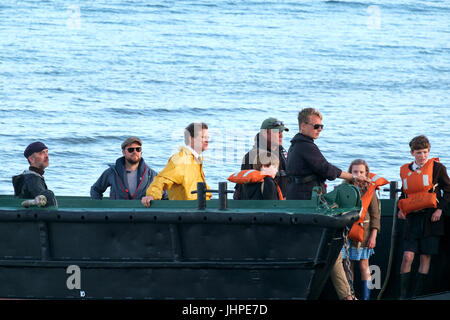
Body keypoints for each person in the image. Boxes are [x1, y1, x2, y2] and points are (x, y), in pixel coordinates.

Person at [286, 107, 370, 300]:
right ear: (303, 125)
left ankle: (347, 296)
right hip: (308, 202)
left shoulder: (299, 145)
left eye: (321, 126)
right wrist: (352, 177)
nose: (319, 129)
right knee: (331, 251)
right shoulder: (305, 146)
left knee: (331, 253)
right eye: (316, 126)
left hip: (303, 200)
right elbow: (325, 168)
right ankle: (347, 296)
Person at [397, 135, 450, 299]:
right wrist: (401, 207)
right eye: (419, 152)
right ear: (412, 153)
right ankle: (403, 295)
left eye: (425, 152)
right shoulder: (406, 170)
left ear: (429, 152)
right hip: (412, 219)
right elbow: (405, 192)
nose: (422, 156)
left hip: (431, 219)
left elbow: (448, 190)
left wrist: (439, 210)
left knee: (425, 258)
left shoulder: (438, 168)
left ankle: (416, 295)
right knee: (407, 256)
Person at [141, 122, 211, 207]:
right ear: (191, 138)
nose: (207, 140)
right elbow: (162, 179)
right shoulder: (181, 159)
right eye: (203, 137)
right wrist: (152, 195)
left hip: (197, 209)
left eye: (207, 137)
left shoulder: (196, 160)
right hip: (185, 212)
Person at [341, 159, 382, 300]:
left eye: (361, 172)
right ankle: (350, 296)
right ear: (350, 173)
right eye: (355, 172)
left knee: (364, 265)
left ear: (366, 173)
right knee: (348, 265)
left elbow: (376, 215)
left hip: (364, 234)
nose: (358, 174)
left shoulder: (370, 190)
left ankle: (366, 297)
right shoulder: (344, 188)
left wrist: (373, 236)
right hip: (347, 233)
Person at [90, 137, 167, 200]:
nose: (135, 152)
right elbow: (95, 190)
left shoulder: (151, 174)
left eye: (138, 149)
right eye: (131, 149)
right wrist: (99, 207)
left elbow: (164, 195)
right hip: (116, 215)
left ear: (141, 152)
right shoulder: (112, 172)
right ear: (124, 152)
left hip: (142, 215)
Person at [233, 117, 289, 200]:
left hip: (284, 204)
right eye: (277, 132)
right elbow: (244, 190)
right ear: (264, 133)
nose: (281, 135)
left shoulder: (283, 153)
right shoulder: (251, 157)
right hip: (262, 206)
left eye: (281, 131)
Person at [12, 141, 57, 207]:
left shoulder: (28, 176)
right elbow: (43, 201)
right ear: (31, 159)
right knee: (49, 194)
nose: (47, 156)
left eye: (46, 152)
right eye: (42, 153)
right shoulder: (33, 179)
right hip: (31, 215)